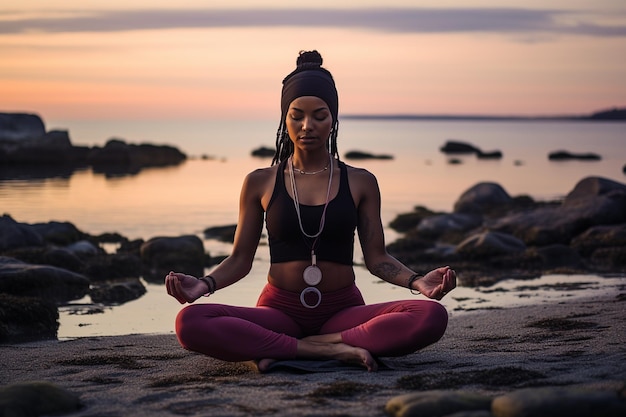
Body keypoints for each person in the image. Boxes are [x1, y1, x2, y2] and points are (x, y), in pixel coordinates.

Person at [165, 50, 456, 372]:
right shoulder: (260, 182)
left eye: (319, 115)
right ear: (284, 119)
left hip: (342, 312)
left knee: (431, 316)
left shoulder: (361, 182)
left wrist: (418, 282)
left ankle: (300, 348)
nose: (307, 126)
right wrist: (203, 285)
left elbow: (378, 259)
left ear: (333, 120)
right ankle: (325, 350)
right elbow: (239, 260)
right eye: (296, 115)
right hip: (279, 312)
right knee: (190, 321)